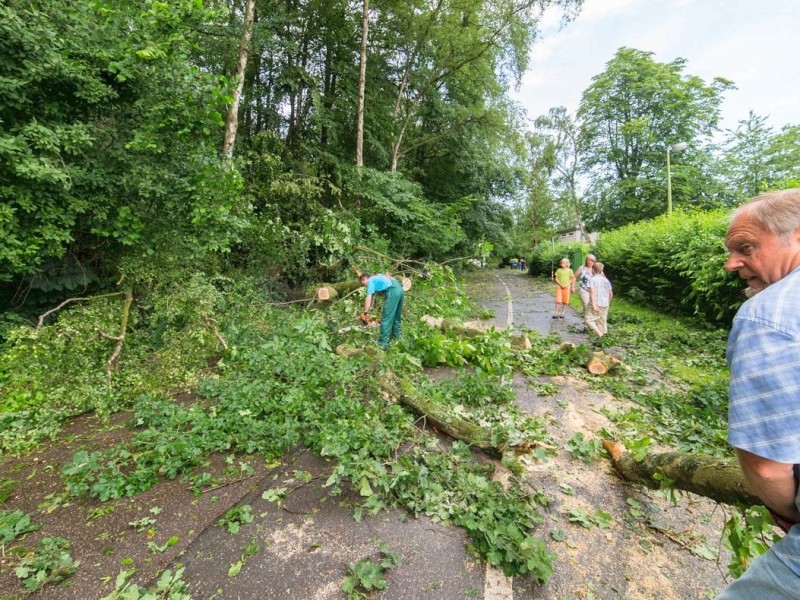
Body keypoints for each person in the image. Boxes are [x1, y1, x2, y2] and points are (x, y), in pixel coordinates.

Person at [717, 189, 800, 599]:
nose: (731, 263)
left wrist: (787, 514)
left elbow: (766, 466)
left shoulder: (768, 315)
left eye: (746, 248)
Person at [359, 272, 405, 348]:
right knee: (396, 317)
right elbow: (387, 275)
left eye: (363, 284)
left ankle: (382, 344)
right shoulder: (377, 276)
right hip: (399, 288)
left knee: (386, 318)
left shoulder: (370, 281)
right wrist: (370, 310)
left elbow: (369, 298)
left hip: (392, 291)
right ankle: (396, 339)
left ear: (365, 279)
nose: (364, 286)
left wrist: (365, 312)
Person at [585, 261, 612, 339]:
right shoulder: (606, 281)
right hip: (605, 304)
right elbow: (611, 293)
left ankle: (600, 335)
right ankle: (602, 339)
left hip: (596, 303)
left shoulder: (592, 280)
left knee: (589, 320)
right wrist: (608, 303)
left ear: (593, 270)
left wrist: (593, 304)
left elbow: (592, 293)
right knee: (602, 321)